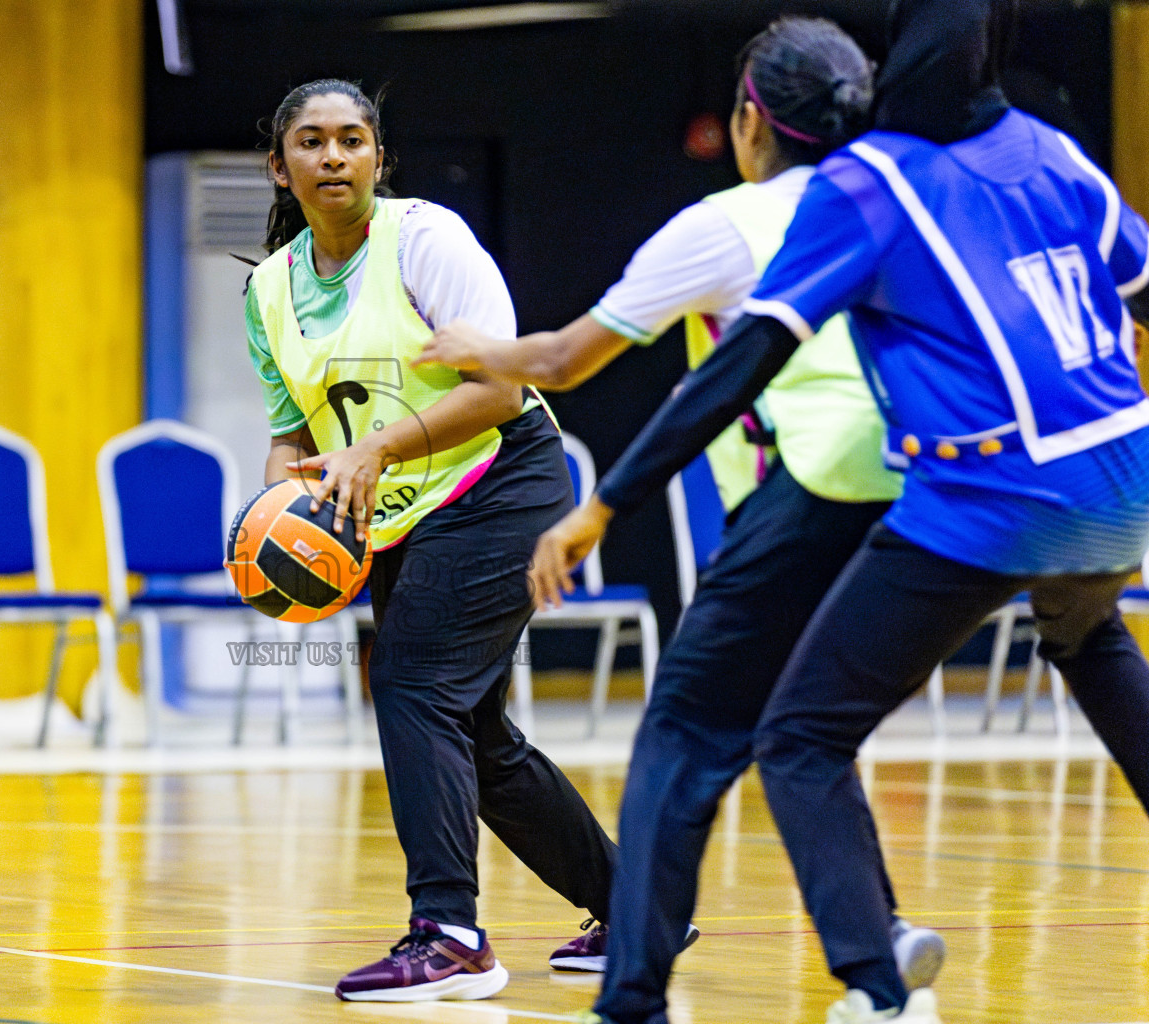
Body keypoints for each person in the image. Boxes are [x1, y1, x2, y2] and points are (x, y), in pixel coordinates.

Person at [530, 2, 1149, 1023]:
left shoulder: (863, 188)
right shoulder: (1048, 148)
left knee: (797, 736)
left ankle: (866, 986)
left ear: (751, 121)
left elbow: (734, 365)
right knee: (1088, 638)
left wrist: (606, 502)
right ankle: (875, 945)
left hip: (971, 487)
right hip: (1119, 476)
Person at [417, 13, 945, 991]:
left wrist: (476, 352)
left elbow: (568, 360)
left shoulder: (728, 224)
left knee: (683, 734)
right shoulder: (905, 205)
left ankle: (635, 972)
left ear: (750, 120)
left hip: (811, 494)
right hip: (932, 502)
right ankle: (880, 947)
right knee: (806, 727)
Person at [244, 78, 621, 1003]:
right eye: (312, 142)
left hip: (502, 480)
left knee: (412, 685)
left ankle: (449, 935)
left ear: (378, 157)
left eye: (352, 139)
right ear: (280, 165)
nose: (333, 156)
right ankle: (636, 905)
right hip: (399, 510)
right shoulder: (267, 290)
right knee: (473, 731)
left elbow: (497, 389)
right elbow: (293, 431)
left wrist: (375, 446)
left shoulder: (425, 238)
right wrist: (277, 529)